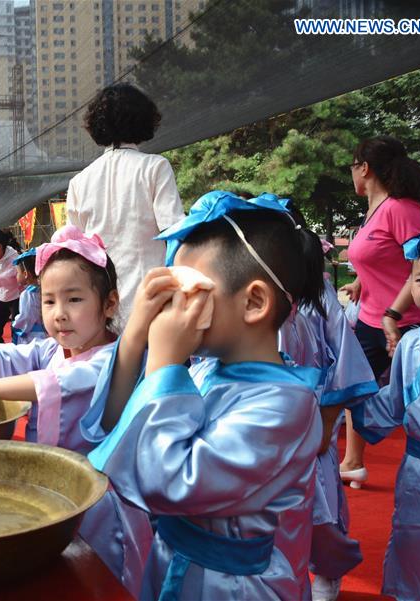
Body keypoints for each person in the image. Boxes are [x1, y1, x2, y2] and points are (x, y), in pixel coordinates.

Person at [83, 191, 325, 600]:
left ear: (253, 302)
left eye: (190, 295)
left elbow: (172, 483)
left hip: (232, 586)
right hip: (172, 563)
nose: (175, 309)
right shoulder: (206, 369)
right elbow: (115, 423)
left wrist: (163, 362)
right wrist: (137, 335)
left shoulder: (287, 404)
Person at [0, 226, 150, 596]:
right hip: (56, 490)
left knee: (98, 582)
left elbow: (53, 384)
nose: (59, 314)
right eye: (49, 301)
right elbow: (1, 353)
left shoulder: (112, 361)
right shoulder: (55, 349)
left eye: (74, 300)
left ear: (110, 304)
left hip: (101, 502)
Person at [275, 203, 378, 601]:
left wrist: (327, 416)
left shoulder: (317, 297)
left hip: (313, 423)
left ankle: (326, 580)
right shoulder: (256, 298)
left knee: (322, 511)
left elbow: (344, 360)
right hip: (271, 428)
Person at [351, 224, 420, 601]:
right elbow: (392, 401)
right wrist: (345, 401)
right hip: (419, 473)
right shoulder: (410, 343)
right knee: (418, 543)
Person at [338, 135, 420, 488]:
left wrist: (393, 313)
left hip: (409, 323)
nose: (352, 174)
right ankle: (352, 462)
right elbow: (378, 258)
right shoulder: (374, 210)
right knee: (353, 388)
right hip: (370, 318)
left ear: (364, 168)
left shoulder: (401, 209)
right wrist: (362, 282)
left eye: (352, 167)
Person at [66, 82, 184, 329]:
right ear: (143, 119)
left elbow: (75, 251)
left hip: (101, 310)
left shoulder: (79, 182)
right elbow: (176, 231)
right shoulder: (155, 167)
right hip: (152, 306)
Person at [11, 249, 46, 344]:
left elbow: (26, 317)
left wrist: (16, 324)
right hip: (46, 332)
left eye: (18, 272)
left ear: (26, 274)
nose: (16, 276)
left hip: (32, 335)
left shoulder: (28, 294)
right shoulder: (45, 289)